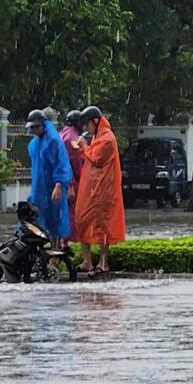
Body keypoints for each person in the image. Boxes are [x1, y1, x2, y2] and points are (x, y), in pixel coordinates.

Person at [73, 105, 127, 276]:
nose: (85, 128)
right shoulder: (98, 136)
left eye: (87, 124)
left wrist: (84, 146)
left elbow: (97, 158)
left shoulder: (108, 139)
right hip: (90, 189)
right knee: (82, 220)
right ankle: (87, 261)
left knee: (103, 225)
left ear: (95, 122)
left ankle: (103, 263)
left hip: (103, 191)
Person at [24, 109, 73, 243]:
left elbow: (62, 164)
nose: (34, 130)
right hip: (39, 188)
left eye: (36, 127)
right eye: (32, 127)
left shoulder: (53, 141)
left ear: (44, 124)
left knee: (54, 219)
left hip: (53, 187)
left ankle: (55, 252)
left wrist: (58, 185)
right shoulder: (34, 143)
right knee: (37, 218)